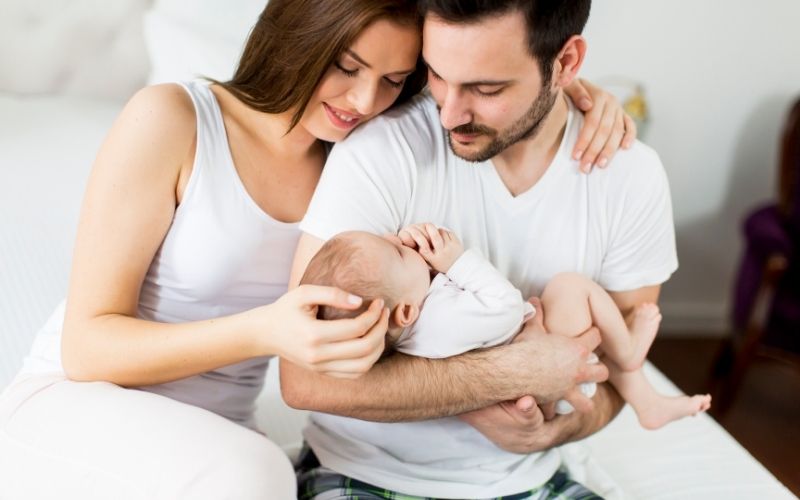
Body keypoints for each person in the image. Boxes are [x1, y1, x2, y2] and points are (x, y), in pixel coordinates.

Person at [0, 0, 632, 498]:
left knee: (256, 473)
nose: (363, 102)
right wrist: (266, 331)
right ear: (300, 32)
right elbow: (86, 346)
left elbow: (490, 93)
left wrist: (581, 96)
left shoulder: (358, 157)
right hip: (78, 401)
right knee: (256, 476)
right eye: (347, 67)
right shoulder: (173, 118)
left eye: (393, 80)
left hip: (213, 438)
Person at [281, 0, 677, 498]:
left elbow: (621, 376)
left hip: (531, 478)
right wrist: (508, 375)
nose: (449, 113)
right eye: (437, 75)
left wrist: (550, 432)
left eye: (487, 89)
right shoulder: (383, 148)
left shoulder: (630, 176)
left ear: (566, 63)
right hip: (365, 473)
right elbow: (304, 380)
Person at [302, 227, 710, 432]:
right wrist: (457, 262)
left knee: (586, 331)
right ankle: (630, 352)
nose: (400, 239)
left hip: (538, 369)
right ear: (405, 312)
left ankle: (647, 404)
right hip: (548, 377)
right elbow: (506, 307)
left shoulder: (416, 325)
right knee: (571, 287)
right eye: (396, 251)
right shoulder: (439, 320)